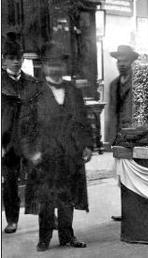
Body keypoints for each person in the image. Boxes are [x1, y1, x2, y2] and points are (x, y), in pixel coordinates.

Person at [20, 41, 93, 252]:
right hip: (46, 154)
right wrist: (31, 152)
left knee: (67, 197)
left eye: (59, 64)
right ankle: (44, 239)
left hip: (70, 153)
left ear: (64, 66)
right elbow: (25, 127)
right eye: (51, 64)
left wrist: (87, 146)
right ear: (44, 67)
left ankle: (67, 236)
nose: (55, 68)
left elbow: (82, 121)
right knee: (46, 199)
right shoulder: (34, 93)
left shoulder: (73, 91)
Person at [1, 33, 38, 234]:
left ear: (23, 59)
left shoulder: (32, 83)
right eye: (11, 58)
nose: (15, 62)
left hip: (30, 140)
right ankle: (12, 220)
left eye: (19, 58)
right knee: (9, 183)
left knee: (39, 177)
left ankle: (46, 216)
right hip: (7, 141)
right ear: (3, 59)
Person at [105, 44, 139, 222]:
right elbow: (111, 111)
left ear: (132, 62)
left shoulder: (140, 82)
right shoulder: (113, 84)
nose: (121, 64)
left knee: (136, 173)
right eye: (119, 61)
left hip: (136, 135)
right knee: (122, 175)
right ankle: (126, 210)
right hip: (120, 136)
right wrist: (110, 138)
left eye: (125, 60)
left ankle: (135, 211)